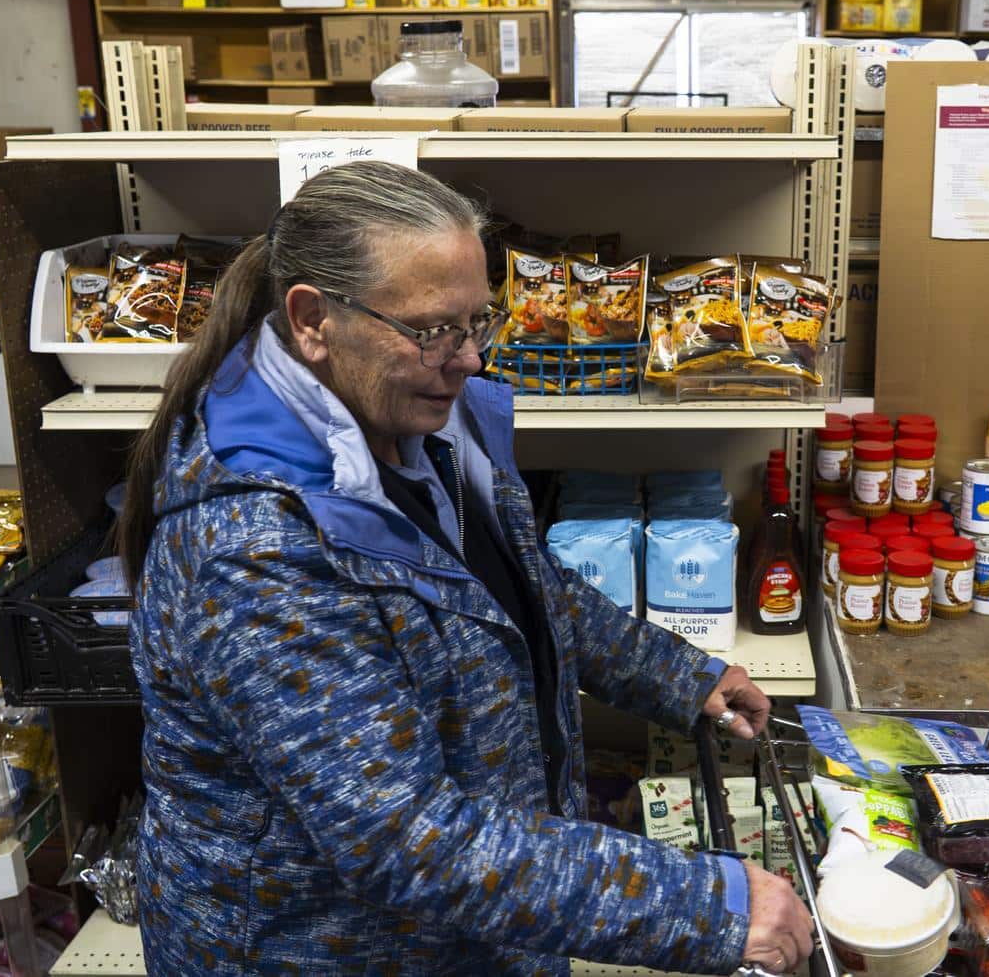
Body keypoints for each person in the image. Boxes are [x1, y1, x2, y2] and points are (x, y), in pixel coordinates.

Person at [117, 161, 813, 975]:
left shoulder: (421, 422)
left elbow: (514, 591)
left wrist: (676, 672)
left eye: (478, 322)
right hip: (313, 949)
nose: (471, 359)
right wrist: (706, 905)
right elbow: (402, 835)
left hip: (459, 937)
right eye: (433, 329)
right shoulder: (254, 546)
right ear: (312, 320)